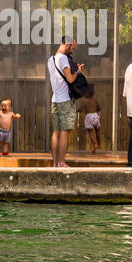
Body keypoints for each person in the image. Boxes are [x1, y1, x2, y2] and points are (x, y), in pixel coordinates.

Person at [47, 38, 84, 168]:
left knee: (55, 131)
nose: (73, 50)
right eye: (73, 47)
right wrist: (78, 71)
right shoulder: (63, 58)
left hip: (55, 100)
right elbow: (70, 79)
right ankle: (62, 162)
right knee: (64, 132)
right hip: (65, 100)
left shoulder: (50, 59)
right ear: (67, 45)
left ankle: (55, 163)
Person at [75, 85, 101, 152]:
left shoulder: (84, 101)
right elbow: (99, 108)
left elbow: (81, 109)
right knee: (97, 130)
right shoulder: (95, 100)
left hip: (89, 116)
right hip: (95, 116)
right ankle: (99, 143)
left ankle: (95, 144)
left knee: (91, 132)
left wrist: (76, 110)